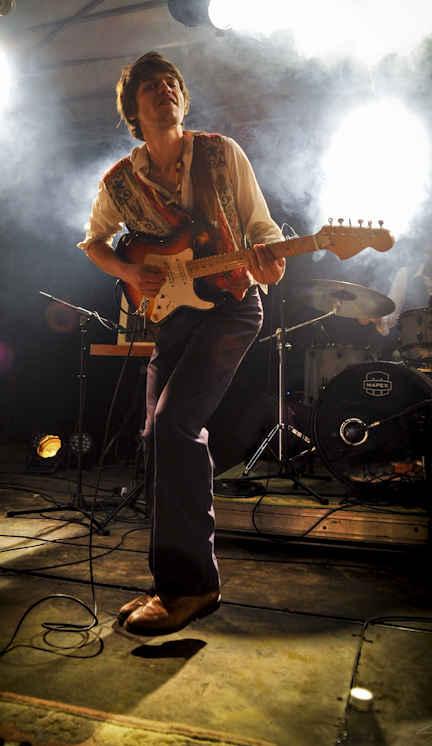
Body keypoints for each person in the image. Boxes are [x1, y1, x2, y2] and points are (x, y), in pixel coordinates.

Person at [80, 52, 285, 635]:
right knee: (154, 436)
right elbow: (93, 241)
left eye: (171, 82)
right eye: (150, 85)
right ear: (133, 110)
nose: (165, 89)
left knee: (173, 424)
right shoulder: (120, 182)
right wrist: (128, 271)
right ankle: (172, 581)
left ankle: (192, 586)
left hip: (233, 305)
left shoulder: (221, 153)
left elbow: (261, 226)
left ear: (183, 98)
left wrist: (272, 261)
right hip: (175, 317)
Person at [360, 236, 432, 340]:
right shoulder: (405, 274)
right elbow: (392, 316)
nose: (427, 258)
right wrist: (378, 319)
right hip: (413, 348)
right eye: (426, 252)